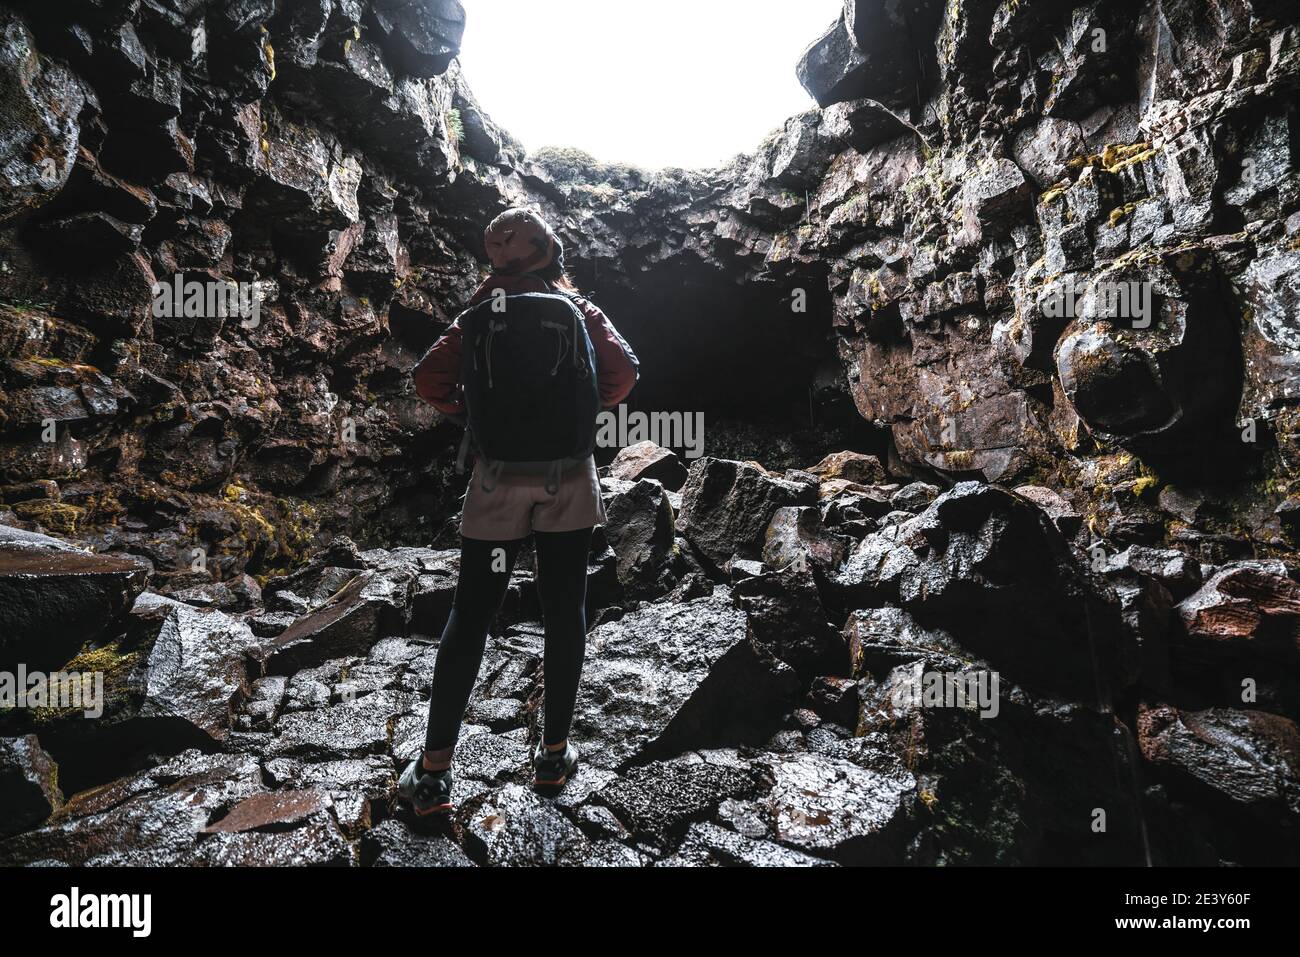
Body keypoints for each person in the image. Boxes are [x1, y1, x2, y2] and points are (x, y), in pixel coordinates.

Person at [399, 208, 639, 815]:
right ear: (549, 254)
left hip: (498, 481)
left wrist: (475, 418)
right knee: (564, 610)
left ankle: (432, 774)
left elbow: (428, 381)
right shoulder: (579, 310)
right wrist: (576, 414)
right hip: (567, 481)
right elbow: (625, 374)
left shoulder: (477, 317)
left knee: (473, 611)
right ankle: (553, 756)